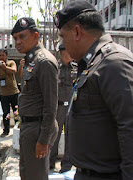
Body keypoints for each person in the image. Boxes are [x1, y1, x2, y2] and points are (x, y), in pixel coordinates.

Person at [55, 1, 133, 179]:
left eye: (63, 36)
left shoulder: (114, 63)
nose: (63, 44)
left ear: (77, 32)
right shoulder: (91, 64)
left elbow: (130, 127)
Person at [13, 17, 58, 180]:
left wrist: (44, 139)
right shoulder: (30, 60)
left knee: (36, 176)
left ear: (35, 36)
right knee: (27, 174)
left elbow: (51, 105)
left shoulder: (44, 61)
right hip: (28, 128)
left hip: (37, 129)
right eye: (15, 38)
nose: (17, 42)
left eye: (22, 36)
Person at [49, 44, 77, 173]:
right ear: (61, 52)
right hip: (58, 107)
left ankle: (66, 166)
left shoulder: (76, 68)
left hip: (71, 108)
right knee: (54, 135)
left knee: (70, 138)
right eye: (68, 51)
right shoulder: (54, 68)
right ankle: (50, 163)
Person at [0, 49, 19, 136]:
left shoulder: (11, 62)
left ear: (6, 55)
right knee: (5, 112)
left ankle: (18, 129)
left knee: (16, 111)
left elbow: (14, 70)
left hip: (13, 92)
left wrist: (5, 67)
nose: (1, 57)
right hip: (3, 93)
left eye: (2, 55)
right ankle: (6, 130)